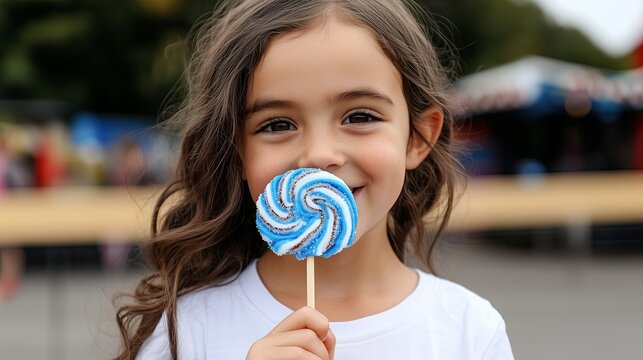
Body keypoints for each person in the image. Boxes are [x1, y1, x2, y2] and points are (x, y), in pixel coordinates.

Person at [114, 0, 514, 359]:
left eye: (360, 116)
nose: (320, 155)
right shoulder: (189, 330)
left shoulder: (468, 331)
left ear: (418, 137)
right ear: (237, 151)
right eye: (278, 124)